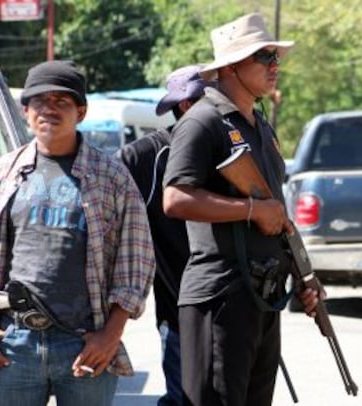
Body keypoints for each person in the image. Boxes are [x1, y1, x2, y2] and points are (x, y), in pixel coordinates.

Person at [0, 60, 155, 406]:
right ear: (25, 111)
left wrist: (110, 336)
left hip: (85, 342)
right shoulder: (2, 174)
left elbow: (136, 262)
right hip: (13, 342)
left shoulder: (113, 178)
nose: (49, 108)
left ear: (80, 111)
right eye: (40, 100)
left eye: (62, 101)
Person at [162, 13, 322, 406]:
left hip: (262, 296)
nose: (275, 66)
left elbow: (277, 213)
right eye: (264, 56)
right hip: (221, 296)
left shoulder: (261, 126)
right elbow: (175, 198)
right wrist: (250, 210)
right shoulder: (202, 121)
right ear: (231, 67)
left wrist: (302, 274)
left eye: (275, 57)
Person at [118, 65, 213, 405]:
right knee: (186, 398)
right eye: (211, 97)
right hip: (180, 315)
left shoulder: (232, 148)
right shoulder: (144, 157)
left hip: (237, 311)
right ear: (187, 105)